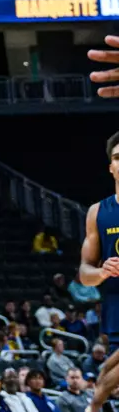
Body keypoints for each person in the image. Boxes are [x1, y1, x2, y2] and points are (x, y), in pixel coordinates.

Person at [78, 131, 119, 355]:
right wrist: (103, 272)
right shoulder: (97, 212)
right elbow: (85, 275)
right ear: (111, 167)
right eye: (118, 158)